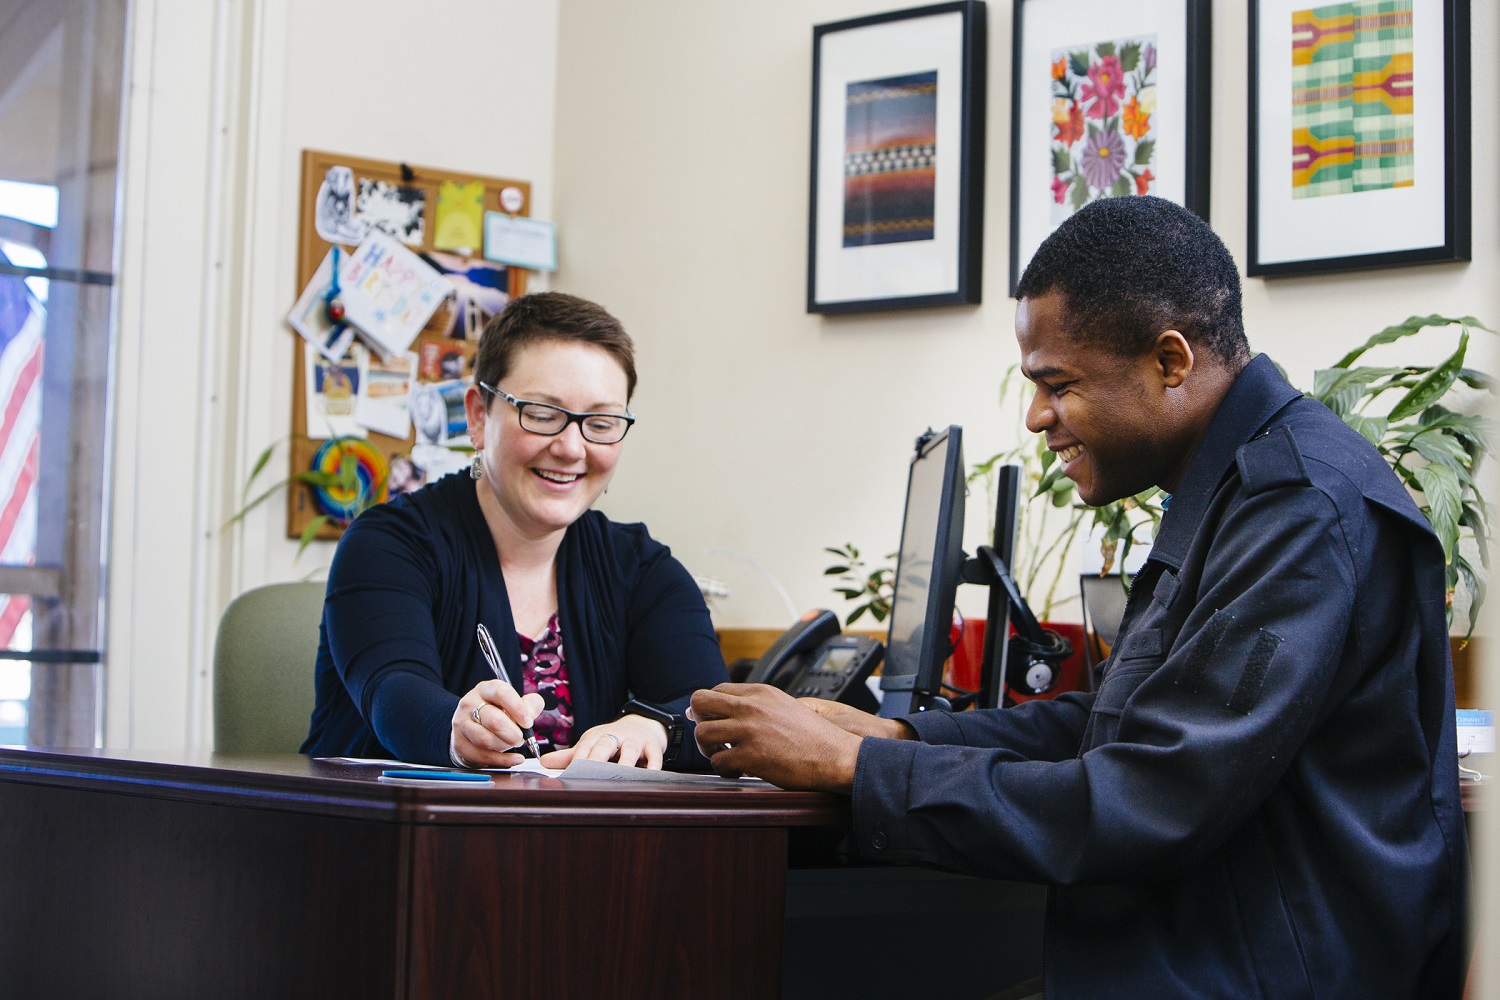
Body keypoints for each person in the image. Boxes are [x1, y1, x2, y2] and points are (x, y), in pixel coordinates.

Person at [690, 197, 1468, 998]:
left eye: (1057, 384)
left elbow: (1155, 798)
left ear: (1170, 362)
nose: (1036, 417)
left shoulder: (1299, 510)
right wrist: (897, 734)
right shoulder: (1235, 489)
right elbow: (1116, 726)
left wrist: (859, 767)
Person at [303, 291, 728, 771]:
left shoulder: (641, 567)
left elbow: (716, 713)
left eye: (601, 422)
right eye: (542, 415)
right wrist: (457, 727)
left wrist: (656, 726)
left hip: (568, 842)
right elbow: (395, 695)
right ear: (479, 417)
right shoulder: (386, 545)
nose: (571, 448)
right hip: (386, 835)